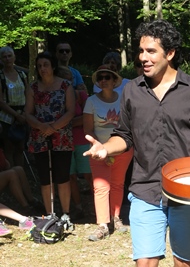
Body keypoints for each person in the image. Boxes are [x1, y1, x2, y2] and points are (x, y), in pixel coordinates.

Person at [83, 19, 190, 267]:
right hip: (144, 188)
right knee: (145, 262)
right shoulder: (132, 91)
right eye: (141, 51)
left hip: (186, 189)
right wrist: (105, 148)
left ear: (169, 54)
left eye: (151, 51)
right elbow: (124, 135)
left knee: (183, 263)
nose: (143, 58)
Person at [83, 65, 133, 241]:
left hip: (122, 150)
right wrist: (102, 148)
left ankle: (116, 218)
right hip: (98, 149)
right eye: (101, 78)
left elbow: (129, 126)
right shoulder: (91, 101)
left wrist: (114, 148)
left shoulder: (123, 100)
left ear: (114, 81)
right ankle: (103, 225)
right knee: (101, 186)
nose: (103, 80)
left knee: (118, 184)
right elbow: (88, 129)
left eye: (107, 77)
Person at [25, 51, 75, 224]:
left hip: (62, 137)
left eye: (45, 65)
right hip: (39, 137)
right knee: (45, 177)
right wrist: (42, 127)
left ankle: (66, 212)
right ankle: (49, 213)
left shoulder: (65, 85)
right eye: (39, 66)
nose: (42, 69)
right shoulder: (33, 88)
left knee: (62, 175)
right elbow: (28, 113)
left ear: (53, 66)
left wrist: (53, 127)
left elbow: (71, 111)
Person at [57, 66, 92, 221]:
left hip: (82, 140)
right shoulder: (55, 96)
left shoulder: (81, 95)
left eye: (70, 78)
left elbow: (87, 118)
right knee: (70, 176)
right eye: (64, 78)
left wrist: (62, 123)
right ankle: (78, 208)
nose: (67, 81)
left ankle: (97, 207)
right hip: (63, 141)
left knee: (89, 175)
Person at [0, 46, 27, 167]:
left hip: (22, 116)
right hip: (6, 117)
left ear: (14, 57)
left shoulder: (22, 75)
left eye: (9, 56)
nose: (7, 59)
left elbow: (28, 94)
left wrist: (25, 114)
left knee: (20, 148)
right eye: (4, 57)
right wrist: (16, 115)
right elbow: (0, 101)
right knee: (9, 148)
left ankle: (21, 176)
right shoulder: (0, 77)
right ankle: (11, 177)